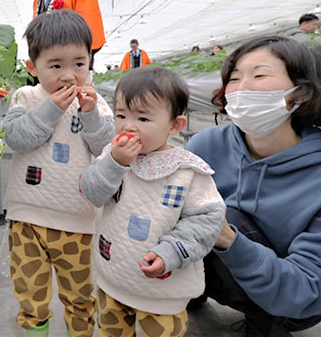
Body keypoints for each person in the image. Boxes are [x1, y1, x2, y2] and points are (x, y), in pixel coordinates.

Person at [186, 36, 321, 336]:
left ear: (299, 94)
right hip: (215, 271)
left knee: (225, 214)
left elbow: (308, 287)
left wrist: (227, 238)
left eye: (259, 75)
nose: (241, 88)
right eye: (234, 78)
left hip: (292, 301)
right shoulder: (204, 145)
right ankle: (191, 292)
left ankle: (264, 323)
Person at [80, 67, 226, 337]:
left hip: (162, 292)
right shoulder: (113, 156)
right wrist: (114, 164)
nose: (128, 126)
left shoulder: (187, 171)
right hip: (112, 280)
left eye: (143, 118)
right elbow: (92, 192)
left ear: (175, 125)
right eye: (121, 115)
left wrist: (171, 252)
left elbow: (206, 222)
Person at [2, 9, 114, 337]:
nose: (69, 75)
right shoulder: (27, 97)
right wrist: (52, 107)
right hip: (27, 219)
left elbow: (104, 147)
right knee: (31, 295)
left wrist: (91, 114)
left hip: (78, 221)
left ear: (90, 64)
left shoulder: (96, 103)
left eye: (79, 64)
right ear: (32, 68)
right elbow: (17, 137)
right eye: (56, 66)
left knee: (80, 296)